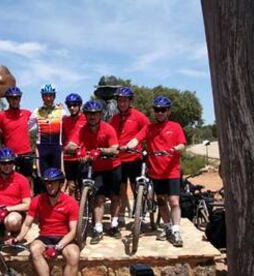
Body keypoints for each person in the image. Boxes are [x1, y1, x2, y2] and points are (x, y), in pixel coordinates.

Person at [126, 95, 186, 247]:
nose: (159, 113)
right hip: (156, 171)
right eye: (157, 110)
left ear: (168, 112)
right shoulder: (149, 128)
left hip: (172, 171)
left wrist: (174, 149)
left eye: (162, 110)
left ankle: (176, 230)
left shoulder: (175, 126)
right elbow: (137, 139)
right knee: (160, 201)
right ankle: (167, 226)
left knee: (173, 201)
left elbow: (182, 145)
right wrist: (128, 146)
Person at [66, 100, 122, 244]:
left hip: (113, 166)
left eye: (95, 114)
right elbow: (71, 144)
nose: (92, 117)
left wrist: (102, 150)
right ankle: (98, 228)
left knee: (115, 196)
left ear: (100, 115)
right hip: (97, 168)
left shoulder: (108, 128)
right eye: (89, 114)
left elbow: (115, 148)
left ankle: (114, 225)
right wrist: (77, 150)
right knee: (98, 198)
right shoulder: (82, 128)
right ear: (85, 115)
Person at [8, 168, 80, 276]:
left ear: (60, 184)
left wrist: (58, 246)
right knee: (34, 249)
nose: (49, 186)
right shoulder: (37, 200)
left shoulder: (71, 202)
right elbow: (27, 223)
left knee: (73, 254)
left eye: (53, 182)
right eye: (47, 183)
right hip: (45, 236)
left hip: (64, 237)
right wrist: (18, 238)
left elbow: (73, 230)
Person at [109, 87, 150, 224]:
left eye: (125, 101)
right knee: (121, 187)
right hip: (118, 159)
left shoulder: (138, 116)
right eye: (120, 101)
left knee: (135, 186)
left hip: (134, 158)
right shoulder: (114, 119)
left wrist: (137, 140)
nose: (122, 103)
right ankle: (121, 213)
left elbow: (147, 128)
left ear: (130, 101)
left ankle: (139, 212)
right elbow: (110, 134)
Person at [29, 84, 66, 192]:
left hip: (56, 147)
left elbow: (69, 126)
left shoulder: (61, 112)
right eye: (46, 96)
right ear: (42, 97)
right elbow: (25, 126)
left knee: (57, 176)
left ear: (54, 96)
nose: (48, 98)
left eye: (50, 95)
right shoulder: (37, 112)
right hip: (42, 148)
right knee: (43, 177)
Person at [0, 87, 33, 179]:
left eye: (17, 98)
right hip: (10, 155)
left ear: (20, 99)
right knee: (11, 180)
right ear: (8, 99)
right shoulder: (1, 116)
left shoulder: (27, 113)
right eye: (12, 98)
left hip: (26, 153)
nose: (15, 100)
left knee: (28, 180)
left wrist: (57, 108)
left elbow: (43, 118)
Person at [62, 93, 86, 198]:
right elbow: (62, 138)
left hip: (82, 157)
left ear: (80, 105)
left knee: (82, 185)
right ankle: (74, 210)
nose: (72, 108)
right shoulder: (65, 120)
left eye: (75, 105)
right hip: (69, 158)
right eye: (69, 105)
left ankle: (85, 206)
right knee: (71, 186)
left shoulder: (86, 118)